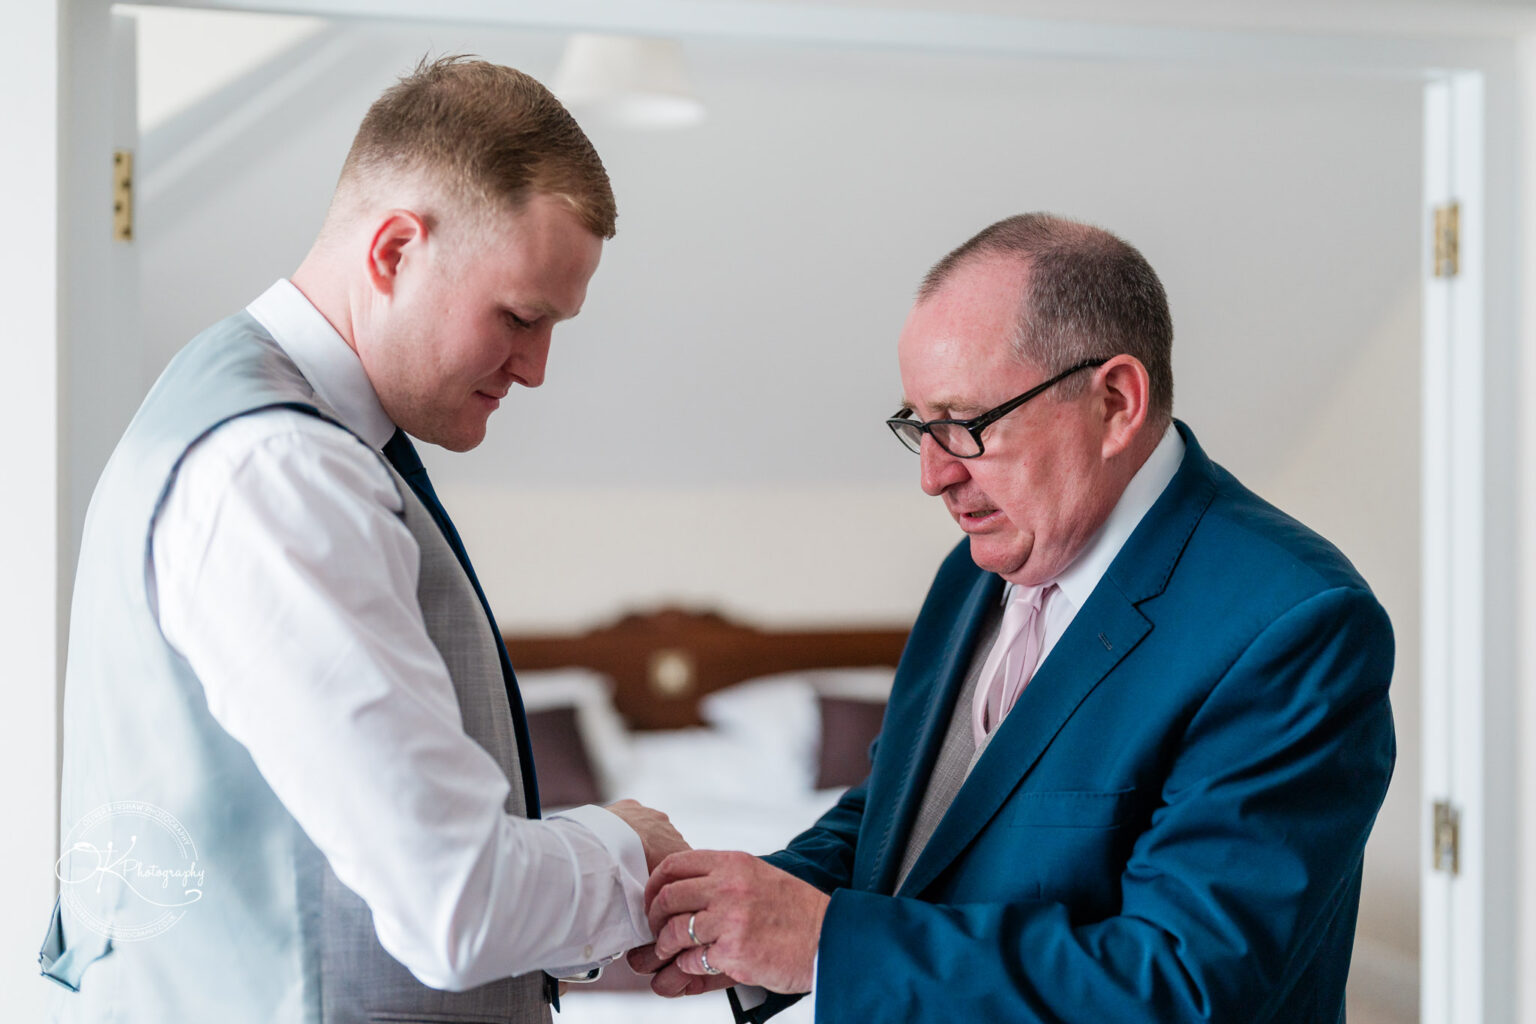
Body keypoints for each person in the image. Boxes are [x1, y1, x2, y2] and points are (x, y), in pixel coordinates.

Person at [40, 56, 685, 1024]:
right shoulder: (281, 470)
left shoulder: (247, 415)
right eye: (519, 316)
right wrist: (624, 846)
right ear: (393, 251)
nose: (538, 367)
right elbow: (454, 904)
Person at [632, 213, 1396, 1021]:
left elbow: (1181, 986)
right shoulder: (973, 570)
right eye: (918, 426)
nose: (932, 476)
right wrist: (728, 911)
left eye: (963, 425)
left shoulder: (1297, 624)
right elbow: (906, 818)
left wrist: (825, 942)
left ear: (1115, 402)